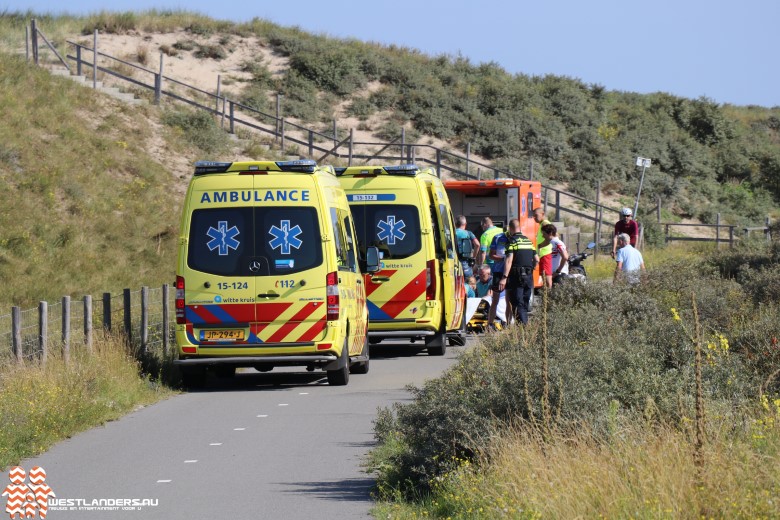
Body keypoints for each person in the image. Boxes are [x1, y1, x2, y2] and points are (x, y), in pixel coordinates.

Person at [498, 219, 539, 325]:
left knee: (517, 303)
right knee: (525, 304)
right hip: (529, 277)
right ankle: (524, 328)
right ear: (519, 228)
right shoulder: (528, 241)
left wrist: (504, 277)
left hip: (517, 277)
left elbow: (508, 260)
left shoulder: (511, 241)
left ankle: (523, 329)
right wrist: (531, 268)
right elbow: (537, 259)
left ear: (510, 229)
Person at [487, 227, 510, 327]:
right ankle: (490, 324)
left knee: (508, 299)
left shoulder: (516, 238)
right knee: (495, 299)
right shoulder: (498, 238)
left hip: (510, 272)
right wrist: (503, 259)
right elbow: (491, 255)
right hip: (498, 271)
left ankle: (507, 323)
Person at [533, 207, 553, 288]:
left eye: (536, 215)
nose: (534, 218)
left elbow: (551, 237)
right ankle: (546, 295)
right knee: (543, 276)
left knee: (547, 277)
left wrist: (540, 245)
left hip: (545, 253)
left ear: (542, 214)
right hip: (542, 254)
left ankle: (549, 296)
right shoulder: (541, 224)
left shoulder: (545, 223)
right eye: (533, 216)